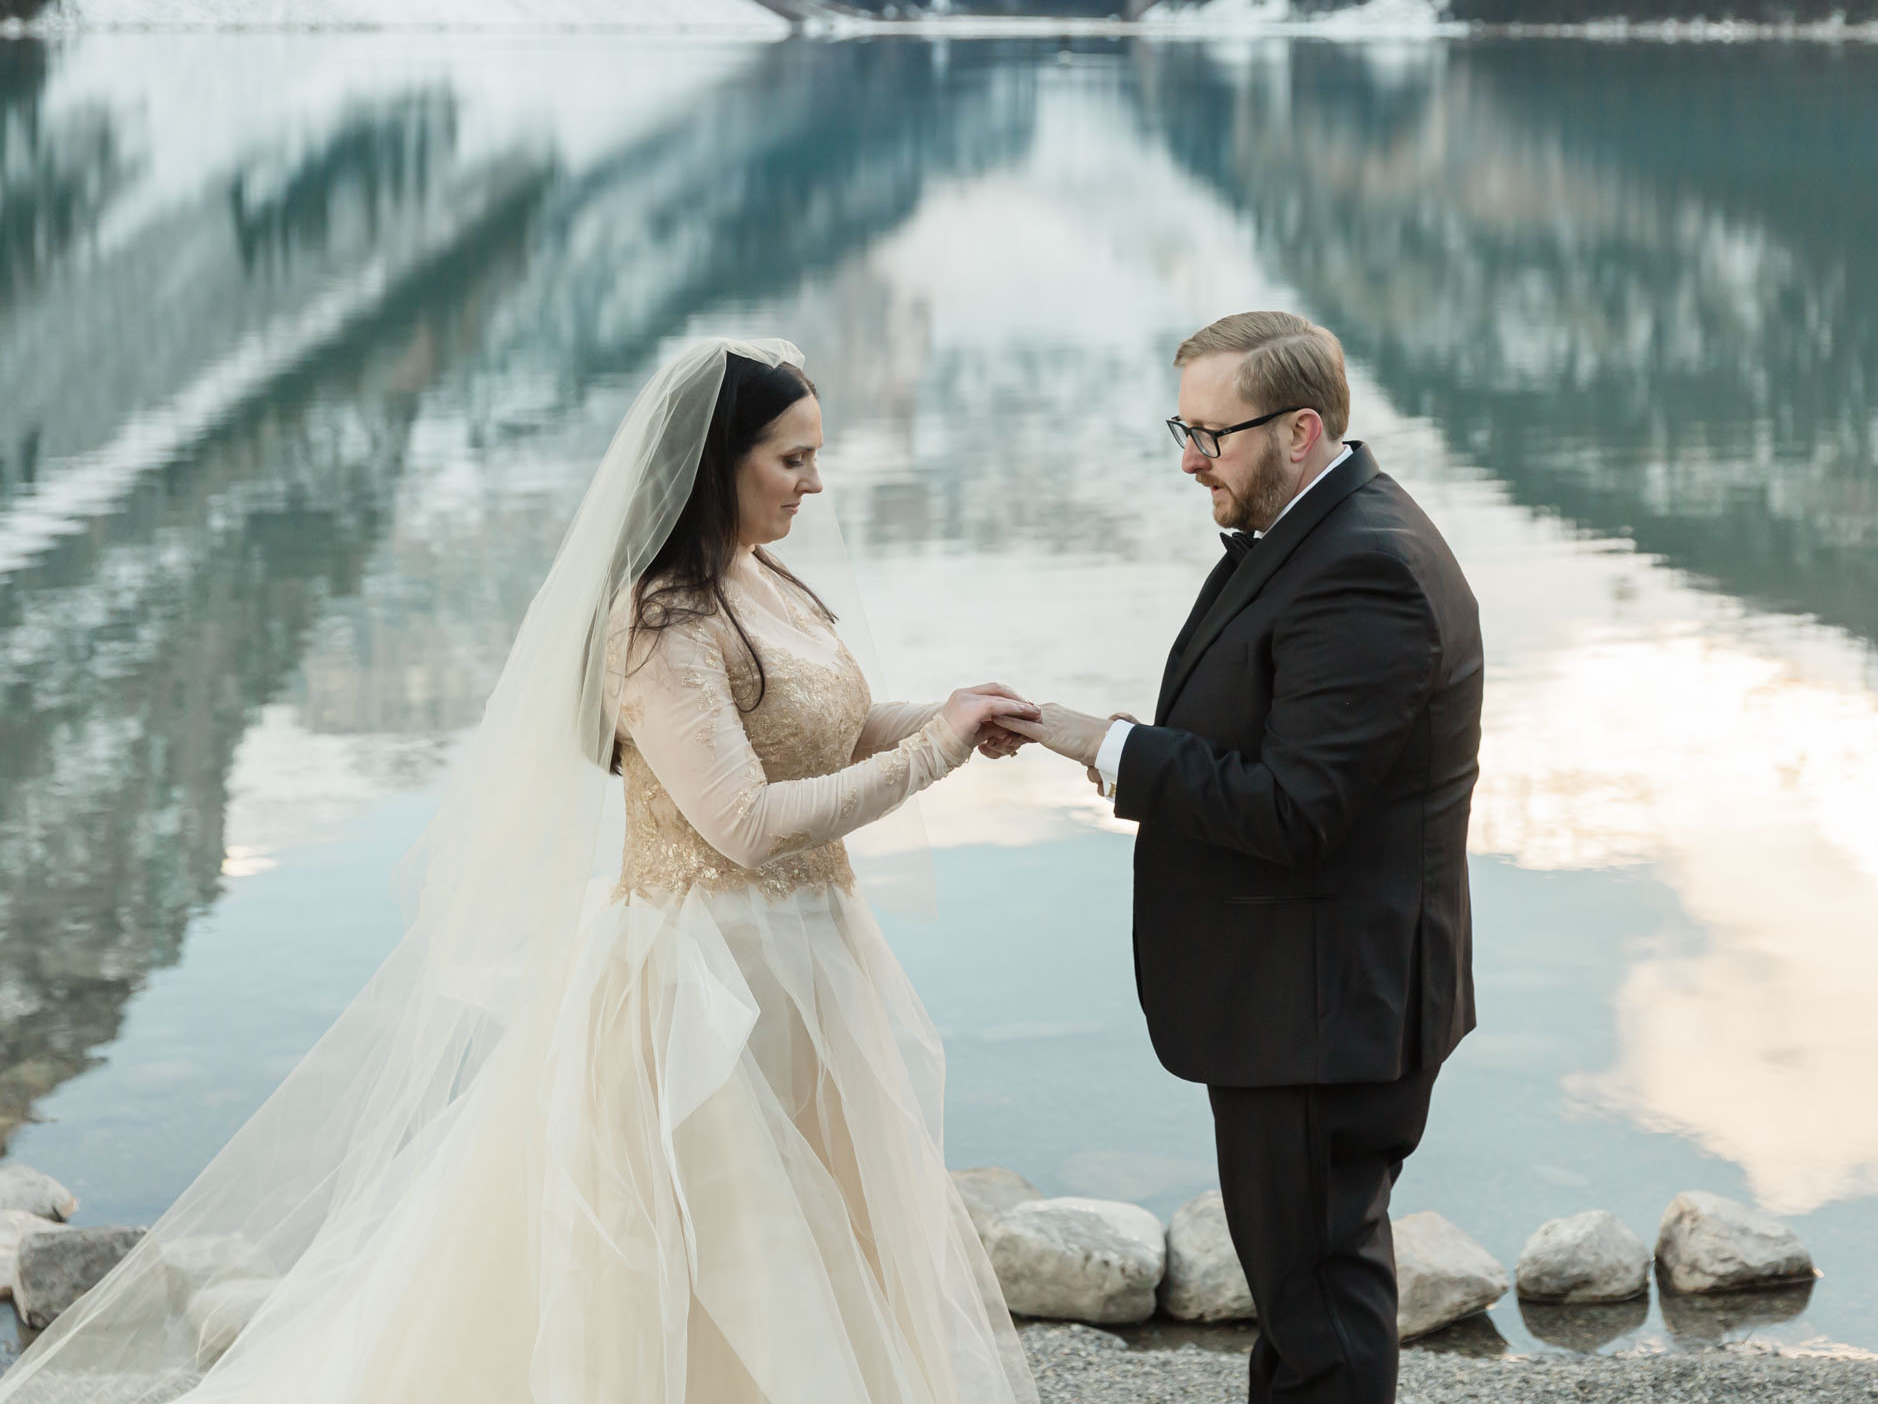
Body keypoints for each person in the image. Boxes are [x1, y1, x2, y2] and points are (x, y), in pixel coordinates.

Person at [1, 338, 1041, 1404]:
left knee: (824, 1239)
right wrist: (934, 754)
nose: (815, 484)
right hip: (701, 980)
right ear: (713, 461)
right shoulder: (658, 619)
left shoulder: (761, 576)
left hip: (809, 959)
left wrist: (952, 710)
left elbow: (824, 725)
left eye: (815, 456)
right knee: (727, 1252)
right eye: (792, 460)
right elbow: (739, 819)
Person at [999, 311, 1482, 1404]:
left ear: (1300, 429)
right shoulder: (1321, 535)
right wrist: (1133, 742)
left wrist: (1106, 744)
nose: (1187, 456)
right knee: (1301, 1291)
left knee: (1318, 1307)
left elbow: (1295, 808)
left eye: (1211, 433)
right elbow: (1285, 748)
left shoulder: (1365, 569)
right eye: (1183, 427)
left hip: (1319, 1007)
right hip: (1307, 997)